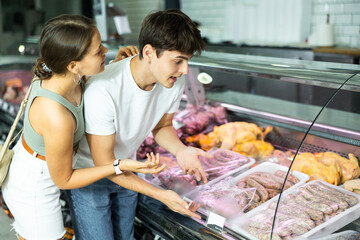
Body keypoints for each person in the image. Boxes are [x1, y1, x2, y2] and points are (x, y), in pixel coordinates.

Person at [1, 14, 167, 240]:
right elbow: (64, 179)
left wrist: (114, 65)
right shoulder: (56, 114)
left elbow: (88, 79)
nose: (105, 51)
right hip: (35, 184)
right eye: (98, 51)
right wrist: (119, 165)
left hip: (45, 165)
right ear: (73, 65)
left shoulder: (67, 77)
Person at [66, 9, 212, 240]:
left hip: (128, 172)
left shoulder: (174, 82)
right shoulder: (103, 89)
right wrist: (161, 195)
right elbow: (105, 163)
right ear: (149, 52)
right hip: (91, 176)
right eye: (178, 61)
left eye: (187, 61)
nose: (184, 70)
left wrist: (181, 150)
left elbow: (162, 127)